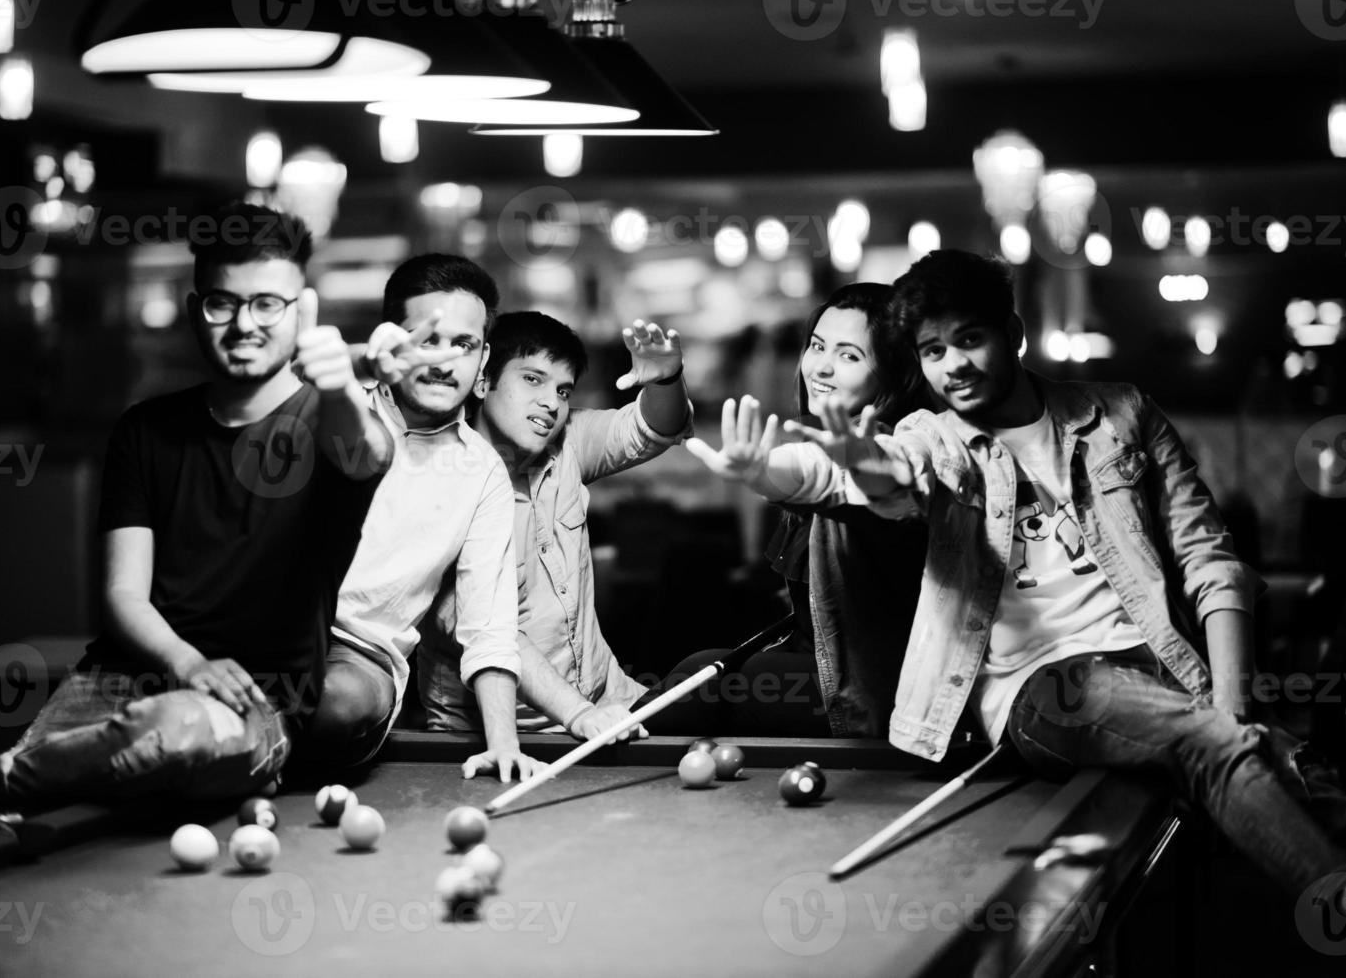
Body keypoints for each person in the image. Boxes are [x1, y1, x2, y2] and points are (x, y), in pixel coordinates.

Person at [793, 248, 1346, 908]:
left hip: (1158, 664)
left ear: (1013, 334)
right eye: (933, 351)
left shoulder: (1120, 413)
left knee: (1311, 781)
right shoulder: (929, 433)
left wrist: (1230, 700)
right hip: (1043, 686)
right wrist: (859, 464)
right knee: (1215, 744)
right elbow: (893, 475)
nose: (954, 365)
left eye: (969, 339)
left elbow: (1210, 562)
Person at [0, 202, 423, 842]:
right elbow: (121, 594)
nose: (244, 324)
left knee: (172, 734)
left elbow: (365, 454)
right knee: (36, 800)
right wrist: (189, 665)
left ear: (301, 309)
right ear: (196, 310)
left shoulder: (330, 419)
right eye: (222, 303)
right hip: (116, 680)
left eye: (267, 304)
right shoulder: (145, 430)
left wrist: (339, 388)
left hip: (259, 704)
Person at [647, 283, 928, 737]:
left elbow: (831, 478)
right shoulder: (824, 440)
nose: (821, 366)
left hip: (867, 694)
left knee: (706, 680)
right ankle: (611, 723)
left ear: (892, 374)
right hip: (816, 666)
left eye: (850, 355)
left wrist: (762, 474)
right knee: (700, 667)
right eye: (817, 346)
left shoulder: (896, 453)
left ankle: (603, 736)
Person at [414, 311, 692, 742]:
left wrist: (666, 380)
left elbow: (658, 427)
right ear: (483, 381)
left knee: (709, 699)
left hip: (608, 703)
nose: (551, 402)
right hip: (493, 732)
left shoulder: (568, 442)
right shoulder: (441, 484)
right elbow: (487, 626)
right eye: (532, 380)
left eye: (563, 390)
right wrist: (578, 714)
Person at [322, 255, 545, 783]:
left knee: (333, 704)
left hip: (359, 658)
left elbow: (488, 624)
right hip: (267, 635)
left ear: (484, 357)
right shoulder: (333, 405)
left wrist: (504, 744)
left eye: (464, 345)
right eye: (426, 339)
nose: (445, 362)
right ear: (388, 342)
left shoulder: (483, 471)